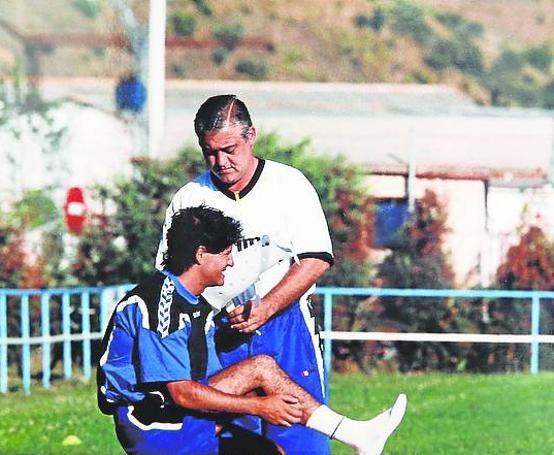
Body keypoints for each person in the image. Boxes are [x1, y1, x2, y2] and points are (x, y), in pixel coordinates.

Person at [99, 206, 407, 455]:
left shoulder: (195, 301)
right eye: (225, 254)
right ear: (200, 254)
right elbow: (182, 392)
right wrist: (258, 406)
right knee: (260, 370)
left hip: (176, 418)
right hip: (154, 428)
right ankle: (354, 434)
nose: (231, 262)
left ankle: (356, 435)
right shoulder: (160, 305)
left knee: (268, 443)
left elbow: (206, 380)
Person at [155, 94, 335, 454]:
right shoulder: (189, 199)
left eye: (229, 149)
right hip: (218, 337)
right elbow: (169, 280)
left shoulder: (289, 184)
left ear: (251, 135)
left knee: (301, 440)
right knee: (230, 444)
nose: (221, 162)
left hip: (286, 329)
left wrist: (266, 307)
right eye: (210, 152)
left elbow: (317, 259)